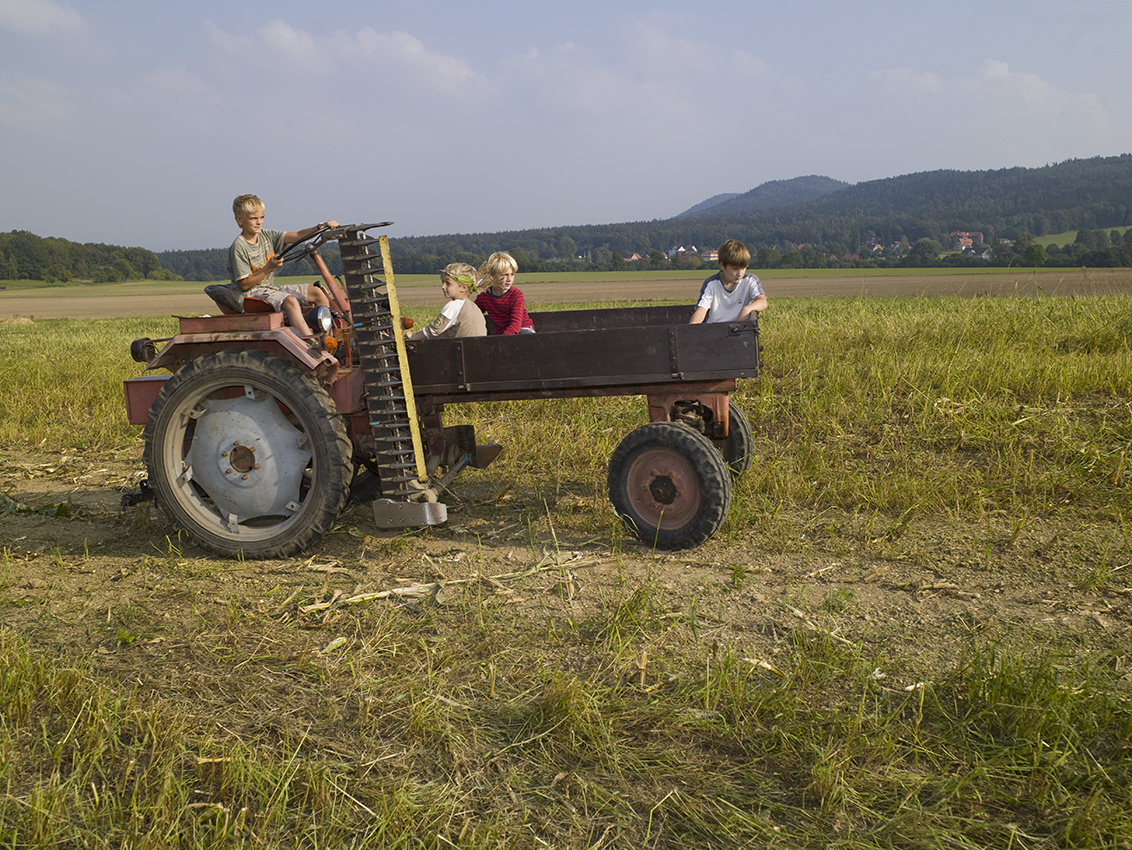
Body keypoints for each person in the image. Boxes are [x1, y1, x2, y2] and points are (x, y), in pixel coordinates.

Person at [225, 194, 337, 335]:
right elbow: (244, 284)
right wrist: (268, 268)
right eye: (253, 218)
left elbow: (297, 236)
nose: (259, 222)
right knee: (290, 301)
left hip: (270, 288)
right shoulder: (239, 246)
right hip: (251, 294)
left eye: (262, 217)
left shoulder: (267, 236)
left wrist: (320, 227)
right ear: (239, 220)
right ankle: (310, 341)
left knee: (317, 293)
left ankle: (327, 339)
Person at [689, 239, 767, 324]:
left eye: (743, 268)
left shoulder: (750, 281)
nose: (740, 274)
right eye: (735, 269)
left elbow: (762, 301)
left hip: (740, 330)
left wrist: (747, 309)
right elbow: (701, 310)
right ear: (722, 265)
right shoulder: (711, 284)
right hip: (715, 329)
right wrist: (692, 328)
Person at [406, 263, 487, 340]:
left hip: (462, 349)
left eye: (448, 284)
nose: (443, 286)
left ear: (463, 287)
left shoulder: (455, 305)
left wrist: (414, 337)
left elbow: (434, 329)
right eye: (443, 283)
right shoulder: (475, 308)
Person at [475, 251, 535, 334]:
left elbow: (516, 324)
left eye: (512, 274)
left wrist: (502, 339)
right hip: (504, 334)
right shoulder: (484, 297)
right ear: (492, 276)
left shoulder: (516, 294)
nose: (509, 279)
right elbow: (473, 314)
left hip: (523, 330)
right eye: (505, 275)